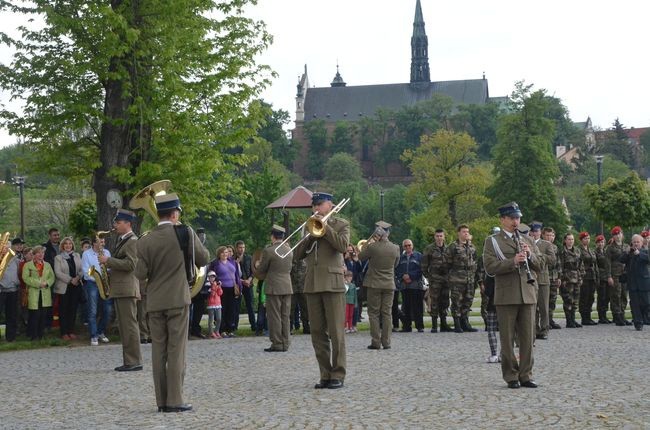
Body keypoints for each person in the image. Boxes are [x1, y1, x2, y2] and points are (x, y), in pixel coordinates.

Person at [135, 192, 209, 413]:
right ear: (175, 213)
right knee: (177, 350)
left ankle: (161, 401)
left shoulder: (145, 240)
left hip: (155, 301)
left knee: (159, 350)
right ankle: (175, 400)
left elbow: (140, 273)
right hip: (177, 299)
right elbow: (204, 258)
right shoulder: (184, 232)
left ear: (158, 213)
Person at [483, 202, 540, 389]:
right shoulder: (493, 241)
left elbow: (541, 265)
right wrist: (512, 262)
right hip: (507, 295)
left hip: (527, 294)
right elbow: (490, 267)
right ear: (503, 220)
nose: (516, 221)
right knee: (507, 340)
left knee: (528, 339)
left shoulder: (528, 240)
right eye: (512, 218)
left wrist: (530, 255)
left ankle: (526, 375)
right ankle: (511, 376)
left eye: (518, 218)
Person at [295, 192, 349, 390]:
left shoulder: (341, 224)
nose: (316, 209)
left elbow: (342, 246)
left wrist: (324, 229)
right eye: (314, 206)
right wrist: (310, 235)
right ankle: (325, 373)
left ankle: (338, 374)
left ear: (330, 205)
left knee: (336, 332)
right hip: (313, 283)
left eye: (320, 205)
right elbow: (297, 254)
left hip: (333, 283)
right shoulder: (308, 226)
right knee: (317, 332)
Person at [99, 209, 142, 372]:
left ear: (128, 224)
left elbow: (132, 265)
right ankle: (130, 360)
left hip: (127, 289)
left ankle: (134, 361)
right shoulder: (123, 240)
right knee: (125, 326)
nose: (115, 225)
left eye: (118, 222)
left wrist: (108, 260)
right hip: (122, 288)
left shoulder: (132, 241)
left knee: (129, 326)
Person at [359, 221, 400, 349]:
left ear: (378, 233)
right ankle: (386, 342)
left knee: (374, 313)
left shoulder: (373, 247)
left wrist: (369, 243)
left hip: (374, 284)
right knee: (387, 313)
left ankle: (376, 341)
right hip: (389, 283)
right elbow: (396, 264)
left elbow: (360, 256)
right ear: (388, 233)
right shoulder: (396, 248)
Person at [254, 225, 293, 352]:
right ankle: (286, 342)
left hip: (274, 286)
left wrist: (257, 267)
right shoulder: (289, 250)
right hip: (287, 285)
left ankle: (277, 343)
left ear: (273, 236)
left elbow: (262, 269)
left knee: (274, 316)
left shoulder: (269, 251)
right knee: (285, 316)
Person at [445, 225, 478, 333]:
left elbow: (475, 260)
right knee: (457, 301)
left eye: (467, 232)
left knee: (468, 301)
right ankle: (457, 323)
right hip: (457, 279)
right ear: (458, 233)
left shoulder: (471, 246)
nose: (466, 233)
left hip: (469, 278)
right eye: (464, 232)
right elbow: (447, 262)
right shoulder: (453, 246)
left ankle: (465, 322)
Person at [81, 235, 113, 346]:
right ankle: (93, 335)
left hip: (105, 283)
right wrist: (97, 275)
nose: (102, 244)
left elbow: (110, 267)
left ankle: (100, 332)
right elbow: (86, 272)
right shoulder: (86, 254)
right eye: (100, 242)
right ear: (94, 243)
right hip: (92, 284)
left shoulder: (107, 253)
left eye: (103, 242)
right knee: (93, 310)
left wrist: (107, 271)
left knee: (108, 310)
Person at [421, 229, 451, 333]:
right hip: (434, 279)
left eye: (441, 236)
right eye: (437, 236)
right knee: (434, 301)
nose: (439, 238)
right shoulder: (429, 249)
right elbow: (424, 265)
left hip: (446, 279)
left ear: (444, 237)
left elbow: (451, 263)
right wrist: (429, 277)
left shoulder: (448, 249)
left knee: (445, 301)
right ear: (434, 237)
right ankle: (434, 325)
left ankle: (444, 324)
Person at [529, 222, 555, 340]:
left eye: (537, 231)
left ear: (540, 232)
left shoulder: (546, 244)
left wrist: (539, 256)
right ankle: (534, 330)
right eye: (533, 231)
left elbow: (552, 259)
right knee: (533, 307)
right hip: (531, 279)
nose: (535, 233)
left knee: (544, 307)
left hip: (543, 279)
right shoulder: (526, 242)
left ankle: (544, 329)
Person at [23, 246, 55, 340]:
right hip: (33, 293)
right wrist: (38, 284)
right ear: (34, 254)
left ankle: (41, 335)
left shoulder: (48, 265)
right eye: (38, 253)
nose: (41, 255)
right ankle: (33, 335)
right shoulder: (28, 265)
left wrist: (47, 283)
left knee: (43, 315)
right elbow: (25, 278)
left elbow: (52, 277)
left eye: (42, 253)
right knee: (34, 315)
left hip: (45, 292)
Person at [53, 237, 83, 340]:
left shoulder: (77, 255)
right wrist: (70, 280)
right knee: (63, 310)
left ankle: (71, 331)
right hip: (64, 287)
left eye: (70, 244)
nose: (68, 245)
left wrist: (78, 277)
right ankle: (64, 332)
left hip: (75, 286)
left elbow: (81, 269)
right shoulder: (58, 258)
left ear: (72, 245)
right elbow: (58, 273)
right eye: (66, 244)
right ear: (62, 246)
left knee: (73, 309)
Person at [619, 234, 650, 330]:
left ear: (642, 243)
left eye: (638, 242)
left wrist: (639, 254)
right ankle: (638, 322)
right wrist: (627, 252)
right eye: (634, 242)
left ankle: (645, 317)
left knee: (646, 303)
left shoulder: (645, 251)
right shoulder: (629, 252)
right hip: (632, 282)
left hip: (643, 282)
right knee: (635, 303)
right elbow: (621, 259)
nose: (636, 244)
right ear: (632, 243)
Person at [208, 246, 240, 337]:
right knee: (223, 309)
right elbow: (211, 275)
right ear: (219, 254)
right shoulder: (215, 263)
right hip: (221, 289)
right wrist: (216, 284)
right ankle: (222, 329)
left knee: (232, 309)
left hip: (232, 288)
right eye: (223, 252)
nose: (225, 254)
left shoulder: (232, 262)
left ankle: (230, 329)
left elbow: (236, 275)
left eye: (226, 252)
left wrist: (239, 287)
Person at [395, 239, 424, 332]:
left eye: (409, 245)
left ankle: (420, 326)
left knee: (417, 307)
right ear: (403, 247)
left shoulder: (419, 256)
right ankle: (407, 326)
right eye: (405, 246)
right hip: (404, 285)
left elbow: (421, 269)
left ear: (412, 245)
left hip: (415, 285)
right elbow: (397, 270)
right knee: (405, 307)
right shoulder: (400, 258)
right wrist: (403, 276)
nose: (408, 247)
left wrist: (411, 276)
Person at [606, 226, 632, 326]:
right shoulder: (610, 248)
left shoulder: (626, 246)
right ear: (613, 236)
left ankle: (622, 314)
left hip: (624, 274)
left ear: (622, 234)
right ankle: (617, 316)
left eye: (619, 233)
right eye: (615, 234)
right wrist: (609, 276)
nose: (618, 236)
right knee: (616, 295)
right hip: (615, 274)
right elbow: (607, 263)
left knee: (624, 295)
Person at [0, 237, 24, 342]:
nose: (7, 249)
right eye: (5, 247)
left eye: (8, 247)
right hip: (1, 291)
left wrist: (16, 283)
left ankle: (11, 337)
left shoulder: (16, 260)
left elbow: (19, 273)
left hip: (13, 291)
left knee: (12, 315)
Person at [559, 233, 584, 328]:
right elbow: (560, 266)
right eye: (569, 239)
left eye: (572, 239)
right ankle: (569, 321)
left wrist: (581, 277)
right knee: (568, 300)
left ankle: (573, 319)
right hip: (567, 279)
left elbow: (581, 265)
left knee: (575, 301)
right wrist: (562, 279)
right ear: (565, 240)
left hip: (576, 278)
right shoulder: (562, 251)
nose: (571, 241)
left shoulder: (577, 251)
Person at [577, 231, 599, 326]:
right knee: (584, 297)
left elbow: (595, 263)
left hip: (592, 276)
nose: (587, 240)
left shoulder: (591, 250)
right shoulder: (579, 250)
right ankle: (584, 317)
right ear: (581, 240)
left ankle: (588, 316)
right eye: (585, 238)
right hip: (584, 276)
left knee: (591, 297)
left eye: (588, 238)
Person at [235, 240, 256, 332]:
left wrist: (249, 280)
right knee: (236, 306)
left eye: (243, 247)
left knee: (250, 306)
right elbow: (232, 274)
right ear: (236, 248)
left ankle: (254, 326)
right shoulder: (233, 259)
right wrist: (242, 281)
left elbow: (253, 271)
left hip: (248, 284)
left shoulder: (249, 258)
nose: (242, 249)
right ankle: (234, 326)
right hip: (238, 285)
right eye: (240, 247)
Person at [543, 227, 562, 329]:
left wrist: (559, 276)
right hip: (545, 276)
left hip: (554, 277)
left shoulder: (555, 247)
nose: (550, 237)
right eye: (548, 235)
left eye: (552, 235)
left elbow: (558, 263)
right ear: (543, 235)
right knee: (544, 300)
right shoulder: (541, 246)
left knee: (552, 299)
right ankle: (544, 321)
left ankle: (550, 319)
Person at [595, 234, 612, 323]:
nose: (601, 244)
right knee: (601, 297)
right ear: (596, 243)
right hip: (601, 277)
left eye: (602, 242)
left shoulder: (606, 252)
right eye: (599, 242)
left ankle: (604, 315)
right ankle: (601, 316)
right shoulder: (595, 253)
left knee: (607, 297)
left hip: (607, 277)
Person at [289, 258, 309, 335]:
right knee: (290, 309)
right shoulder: (290, 260)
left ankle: (306, 327)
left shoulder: (306, 260)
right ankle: (289, 328)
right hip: (292, 288)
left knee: (305, 309)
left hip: (303, 288)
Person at [205, 271, 223, 339]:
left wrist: (219, 286)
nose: (212, 278)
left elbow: (220, 293)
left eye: (213, 277)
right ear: (208, 278)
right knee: (211, 320)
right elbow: (211, 294)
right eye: (211, 277)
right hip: (211, 304)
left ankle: (216, 331)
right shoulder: (207, 285)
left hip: (218, 303)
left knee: (219, 318)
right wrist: (214, 286)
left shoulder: (216, 284)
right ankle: (211, 332)